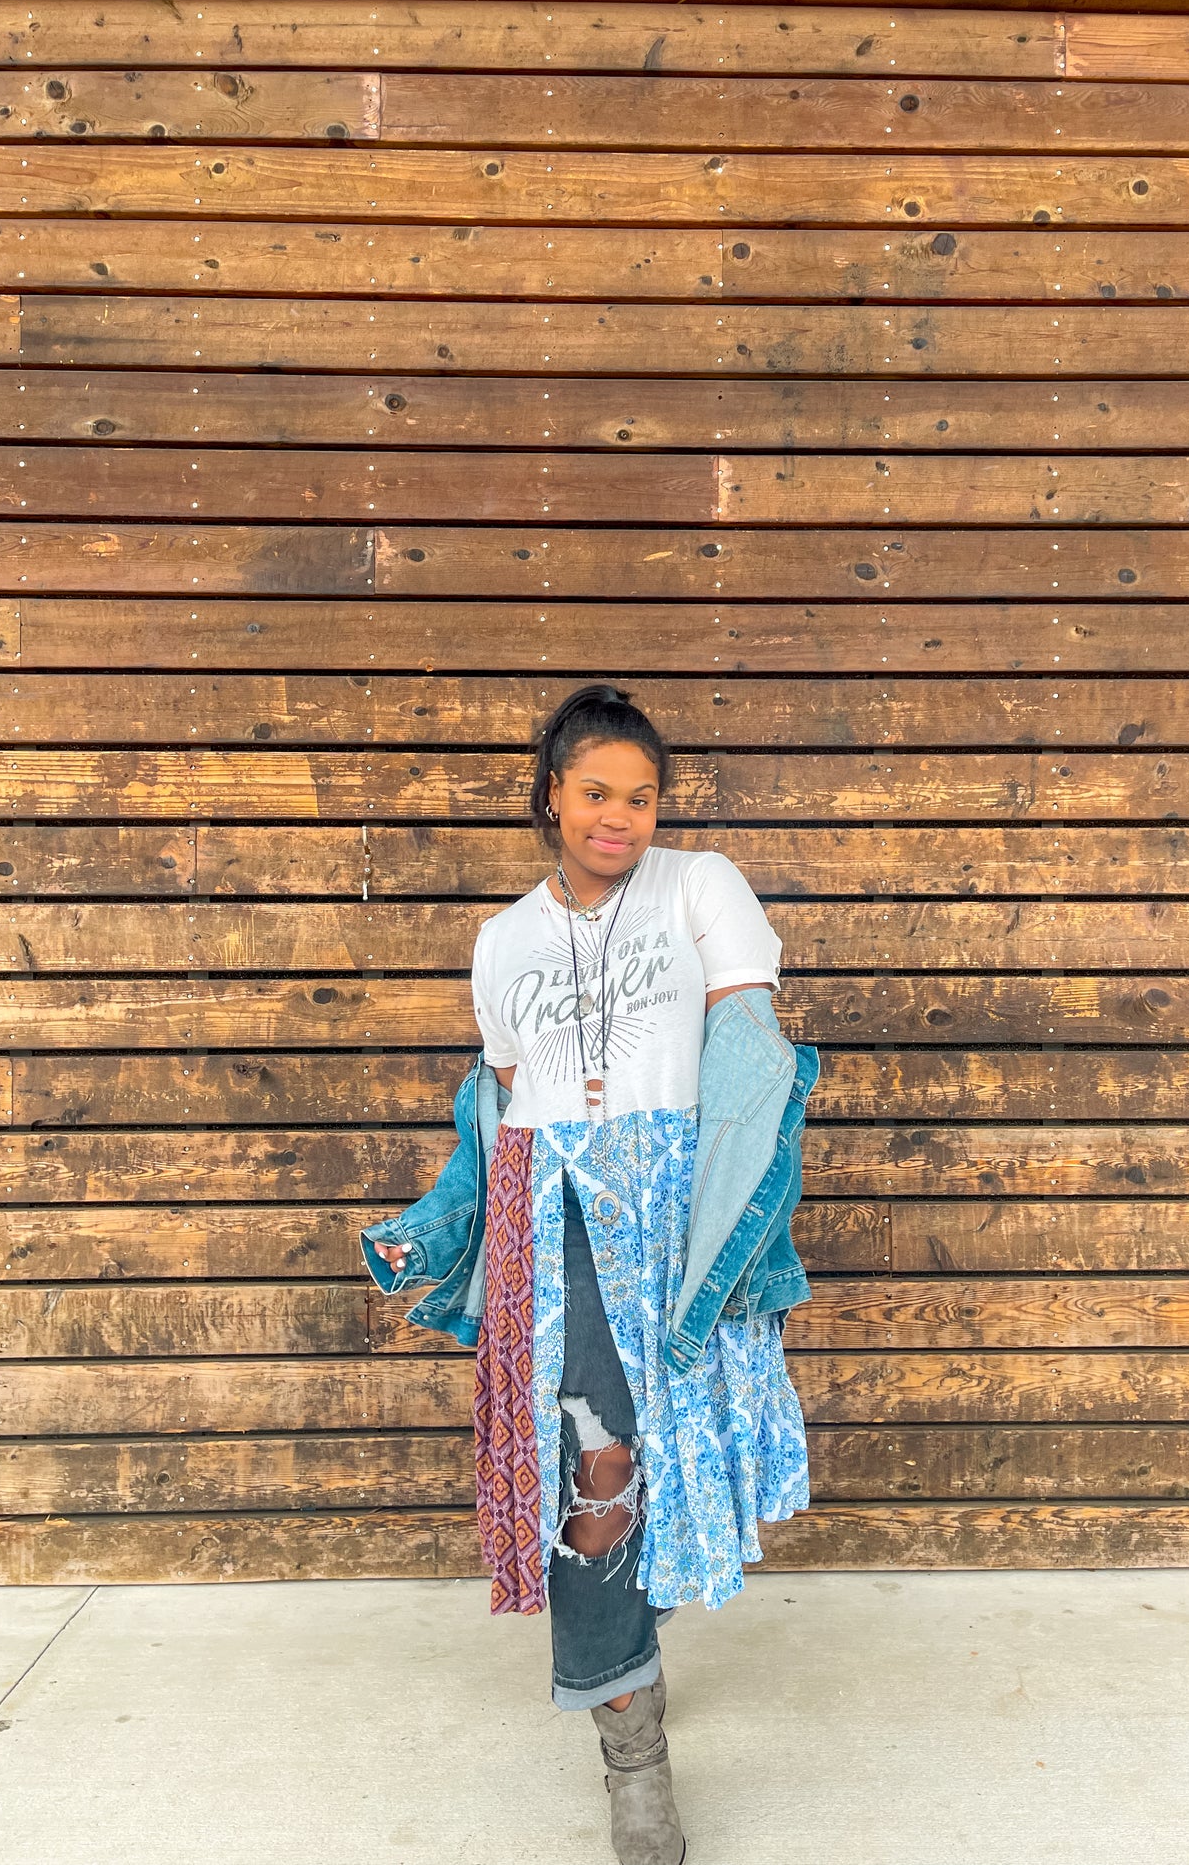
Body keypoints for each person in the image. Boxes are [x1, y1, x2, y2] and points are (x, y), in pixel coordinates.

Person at [371, 682, 813, 1865]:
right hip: (553, 1226)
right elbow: (500, 1113)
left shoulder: (699, 885)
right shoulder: (502, 940)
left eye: (641, 796)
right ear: (551, 798)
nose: (619, 816)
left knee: (675, 1463)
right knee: (594, 1469)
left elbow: (747, 1057)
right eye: (595, 792)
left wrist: (730, 1239)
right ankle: (633, 1756)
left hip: (676, 1216)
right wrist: (438, 1219)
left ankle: (629, 1624)